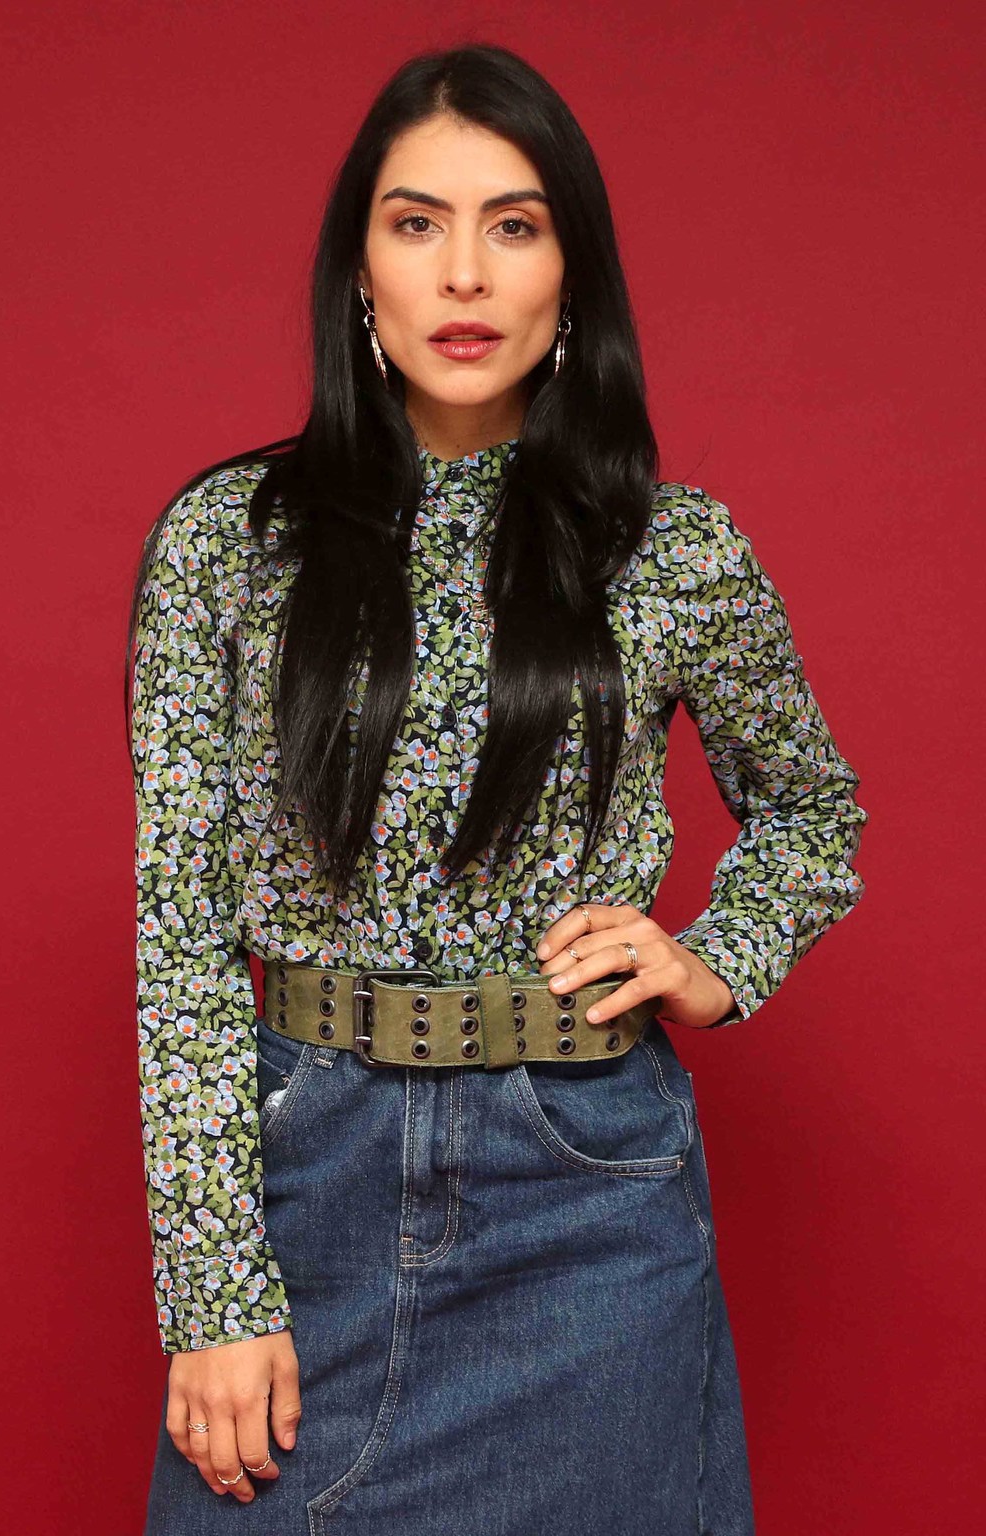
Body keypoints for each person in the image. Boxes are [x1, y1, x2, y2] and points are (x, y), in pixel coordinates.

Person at [128, 42, 868, 1536]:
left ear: (569, 274)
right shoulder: (230, 540)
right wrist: (213, 1291)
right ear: (359, 272)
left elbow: (814, 811)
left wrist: (716, 959)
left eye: (513, 226)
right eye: (417, 223)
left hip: (586, 1191)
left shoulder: (674, 549)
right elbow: (180, 930)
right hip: (308, 1169)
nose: (464, 273)